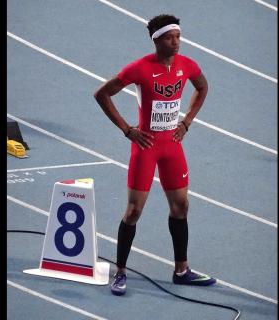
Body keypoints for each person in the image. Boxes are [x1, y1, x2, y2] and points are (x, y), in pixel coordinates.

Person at [94, 14, 216, 296]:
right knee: (134, 211)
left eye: (178, 37)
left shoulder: (187, 66)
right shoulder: (140, 68)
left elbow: (202, 87)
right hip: (146, 147)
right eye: (170, 38)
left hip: (172, 145)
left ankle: (181, 270)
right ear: (156, 40)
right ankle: (121, 272)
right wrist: (127, 130)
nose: (176, 43)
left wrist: (186, 122)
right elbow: (102, 93)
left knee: (181, 207)